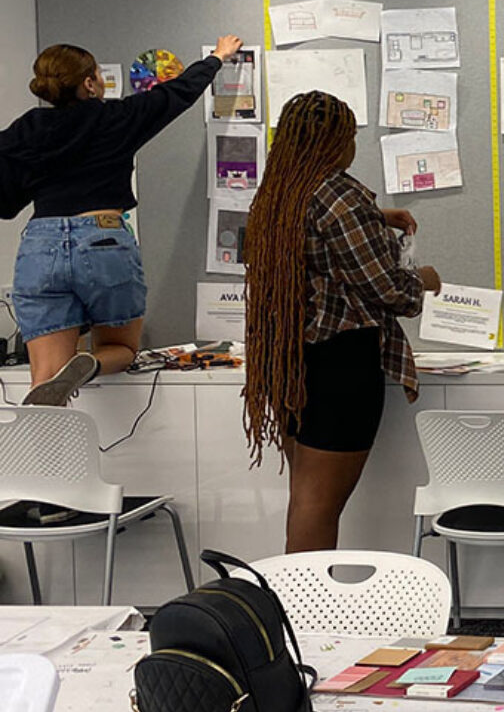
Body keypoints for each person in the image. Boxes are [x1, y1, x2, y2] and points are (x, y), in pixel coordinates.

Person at [241, 91, 439, 553]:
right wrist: (422, 281)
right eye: (349, 136)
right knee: (318, 504)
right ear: (334, 141)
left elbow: (319, 243)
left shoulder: (277, 194)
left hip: (290, 361)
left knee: (305, 497)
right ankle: (305, 614)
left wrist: (375, 217)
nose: (351, 146)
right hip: (341, 366)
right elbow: (386, 289)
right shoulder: (340, 196)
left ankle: (297, 606)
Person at [0, 36, 242, 405]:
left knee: (43, 378)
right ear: (89, 83)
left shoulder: (26, 129)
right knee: (121, 347)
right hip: (103, 238)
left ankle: (45, 449)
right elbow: (178, 93)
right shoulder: (117, 116)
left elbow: (6, 200)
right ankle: (88, 364)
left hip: (40, 242)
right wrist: (217, 57)